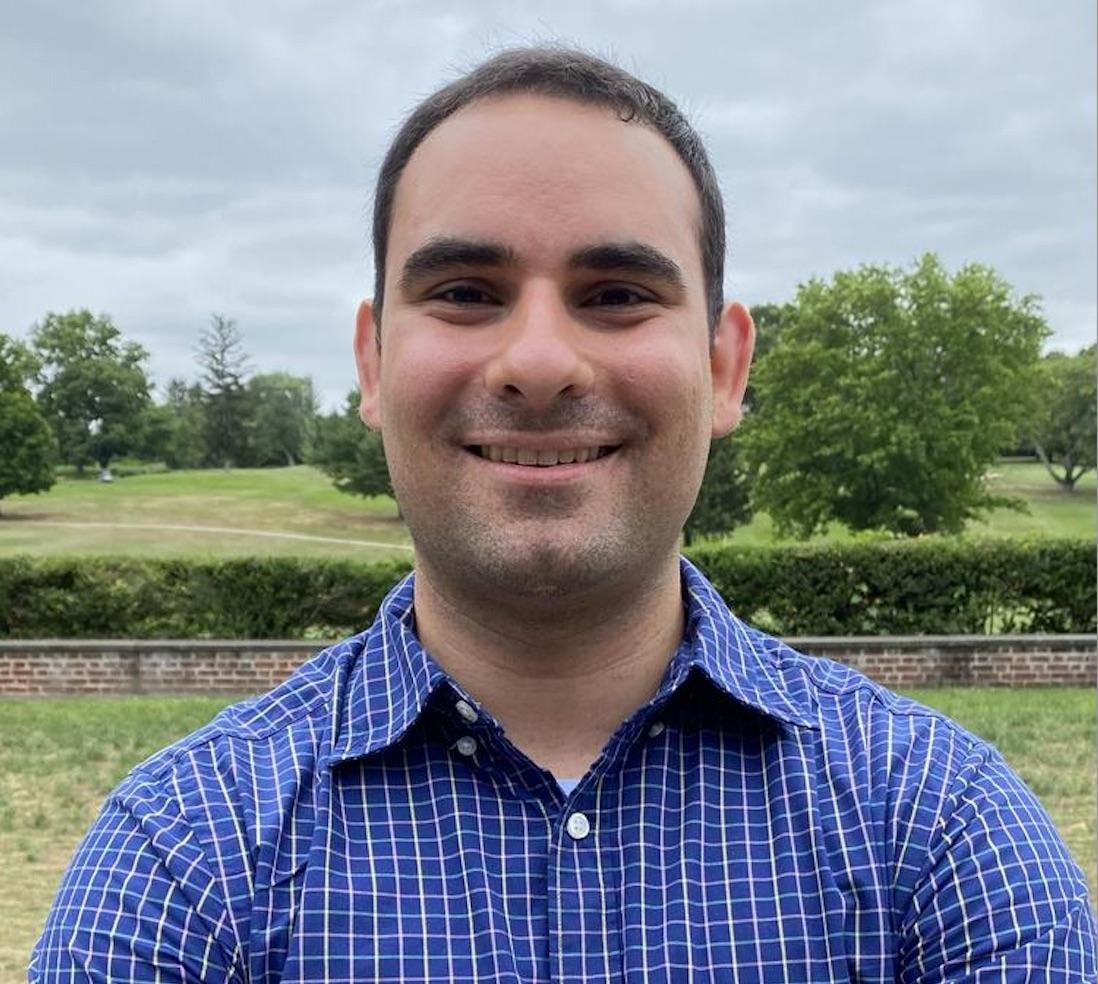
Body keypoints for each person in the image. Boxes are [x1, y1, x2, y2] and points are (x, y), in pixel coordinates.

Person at [31, 47, 1095, 982]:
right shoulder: (183, 855)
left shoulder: (942, 830)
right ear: (374, 359)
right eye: (464, 291)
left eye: (618, 295)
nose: (538, 362)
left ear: (724, 367)